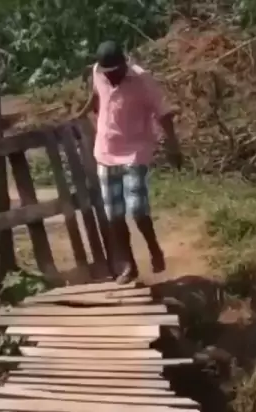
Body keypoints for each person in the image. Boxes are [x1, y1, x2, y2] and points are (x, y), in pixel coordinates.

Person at [78, 40, 182, 283]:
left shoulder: (142, 79)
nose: (111, 77)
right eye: (108, 73)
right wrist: (83, 112)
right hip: (105, 151)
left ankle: (154, 249)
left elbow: (163, 113)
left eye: (116, 72)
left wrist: (173, 146)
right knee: (114, 215)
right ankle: (129, 266)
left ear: (125, 64)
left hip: (135, 150)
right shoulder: (98, 72)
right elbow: (97, 95)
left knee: (137, 208)